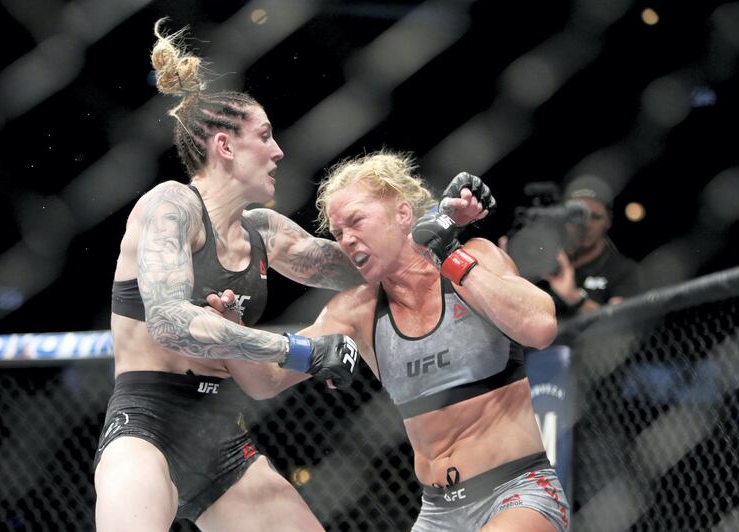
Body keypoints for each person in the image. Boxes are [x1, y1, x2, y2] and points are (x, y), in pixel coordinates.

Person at [93, 20, 488, 532]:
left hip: (219, 439)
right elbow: (168, 321)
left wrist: (441, 220)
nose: (279, 151)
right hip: (145, 425)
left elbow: (364, 262)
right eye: (264, 136)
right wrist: (300, 351)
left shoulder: (264, 232)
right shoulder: (170, 206)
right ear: (225, 147)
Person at [292, 151, 570, 530]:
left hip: (517, 489)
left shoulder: (476, 256)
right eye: (339, 233)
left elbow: (540, 327)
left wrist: (449, 257)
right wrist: (224, 330)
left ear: (403, 215)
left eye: (357, 221)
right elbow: (264, 380)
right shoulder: (357, 310)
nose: (347, 239)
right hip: (438, 512)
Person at [542, 175, 644, 318]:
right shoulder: (544, 260)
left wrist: (573, 298)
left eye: (595, 217)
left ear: (608, 221)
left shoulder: (623, 270)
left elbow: (618, 323)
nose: (586, 225)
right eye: (577, 215)